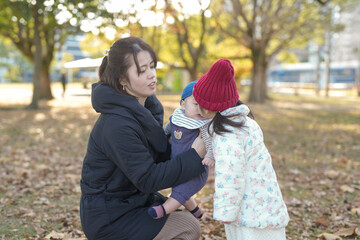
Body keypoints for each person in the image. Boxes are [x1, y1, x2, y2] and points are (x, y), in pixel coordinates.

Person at [79, 37, 207, 240]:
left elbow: (159, 159)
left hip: (134, 202)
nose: (152, 75)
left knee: (183, 218)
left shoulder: (146, 109)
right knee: (188, 226)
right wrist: (195, 154)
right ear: (122, 79)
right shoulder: (116, 124)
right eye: (142, 70)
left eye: (152, 67)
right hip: (110, 219)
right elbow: (148, 178)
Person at [192, 59, 290, 240]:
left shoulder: (227, 135)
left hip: (248, 214)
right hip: (266, 203)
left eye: (198, 103)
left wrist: (225, 212)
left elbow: (231, 175)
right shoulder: (246, 123)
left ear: (208, 107)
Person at [148, 80, 215, 220]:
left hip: (197, 169)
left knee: (180, 192)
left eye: (204, 106)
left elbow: (208, 140)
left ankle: (163, 210)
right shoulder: (177, 118)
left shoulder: (203, 124)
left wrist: (209, 155)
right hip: (179, 164)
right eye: (195, 104)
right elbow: (166, 131)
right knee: (180, 189)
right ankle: (196, 211)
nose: (199, 109)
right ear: (183, 104)